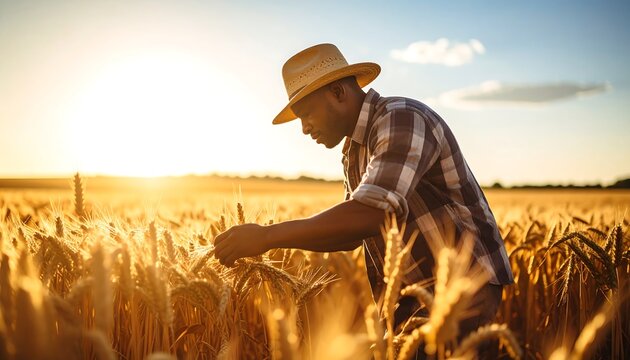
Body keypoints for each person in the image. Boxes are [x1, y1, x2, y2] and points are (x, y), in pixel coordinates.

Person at [214, 43, 514, 357]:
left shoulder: (402, 118)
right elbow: (350, 235)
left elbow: (370, 214)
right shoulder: (354, 151)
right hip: (413, 295)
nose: (303, 129)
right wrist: (270, 240)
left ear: (338, 93)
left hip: (463, 286)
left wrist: (267, 236)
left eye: (306, 114)